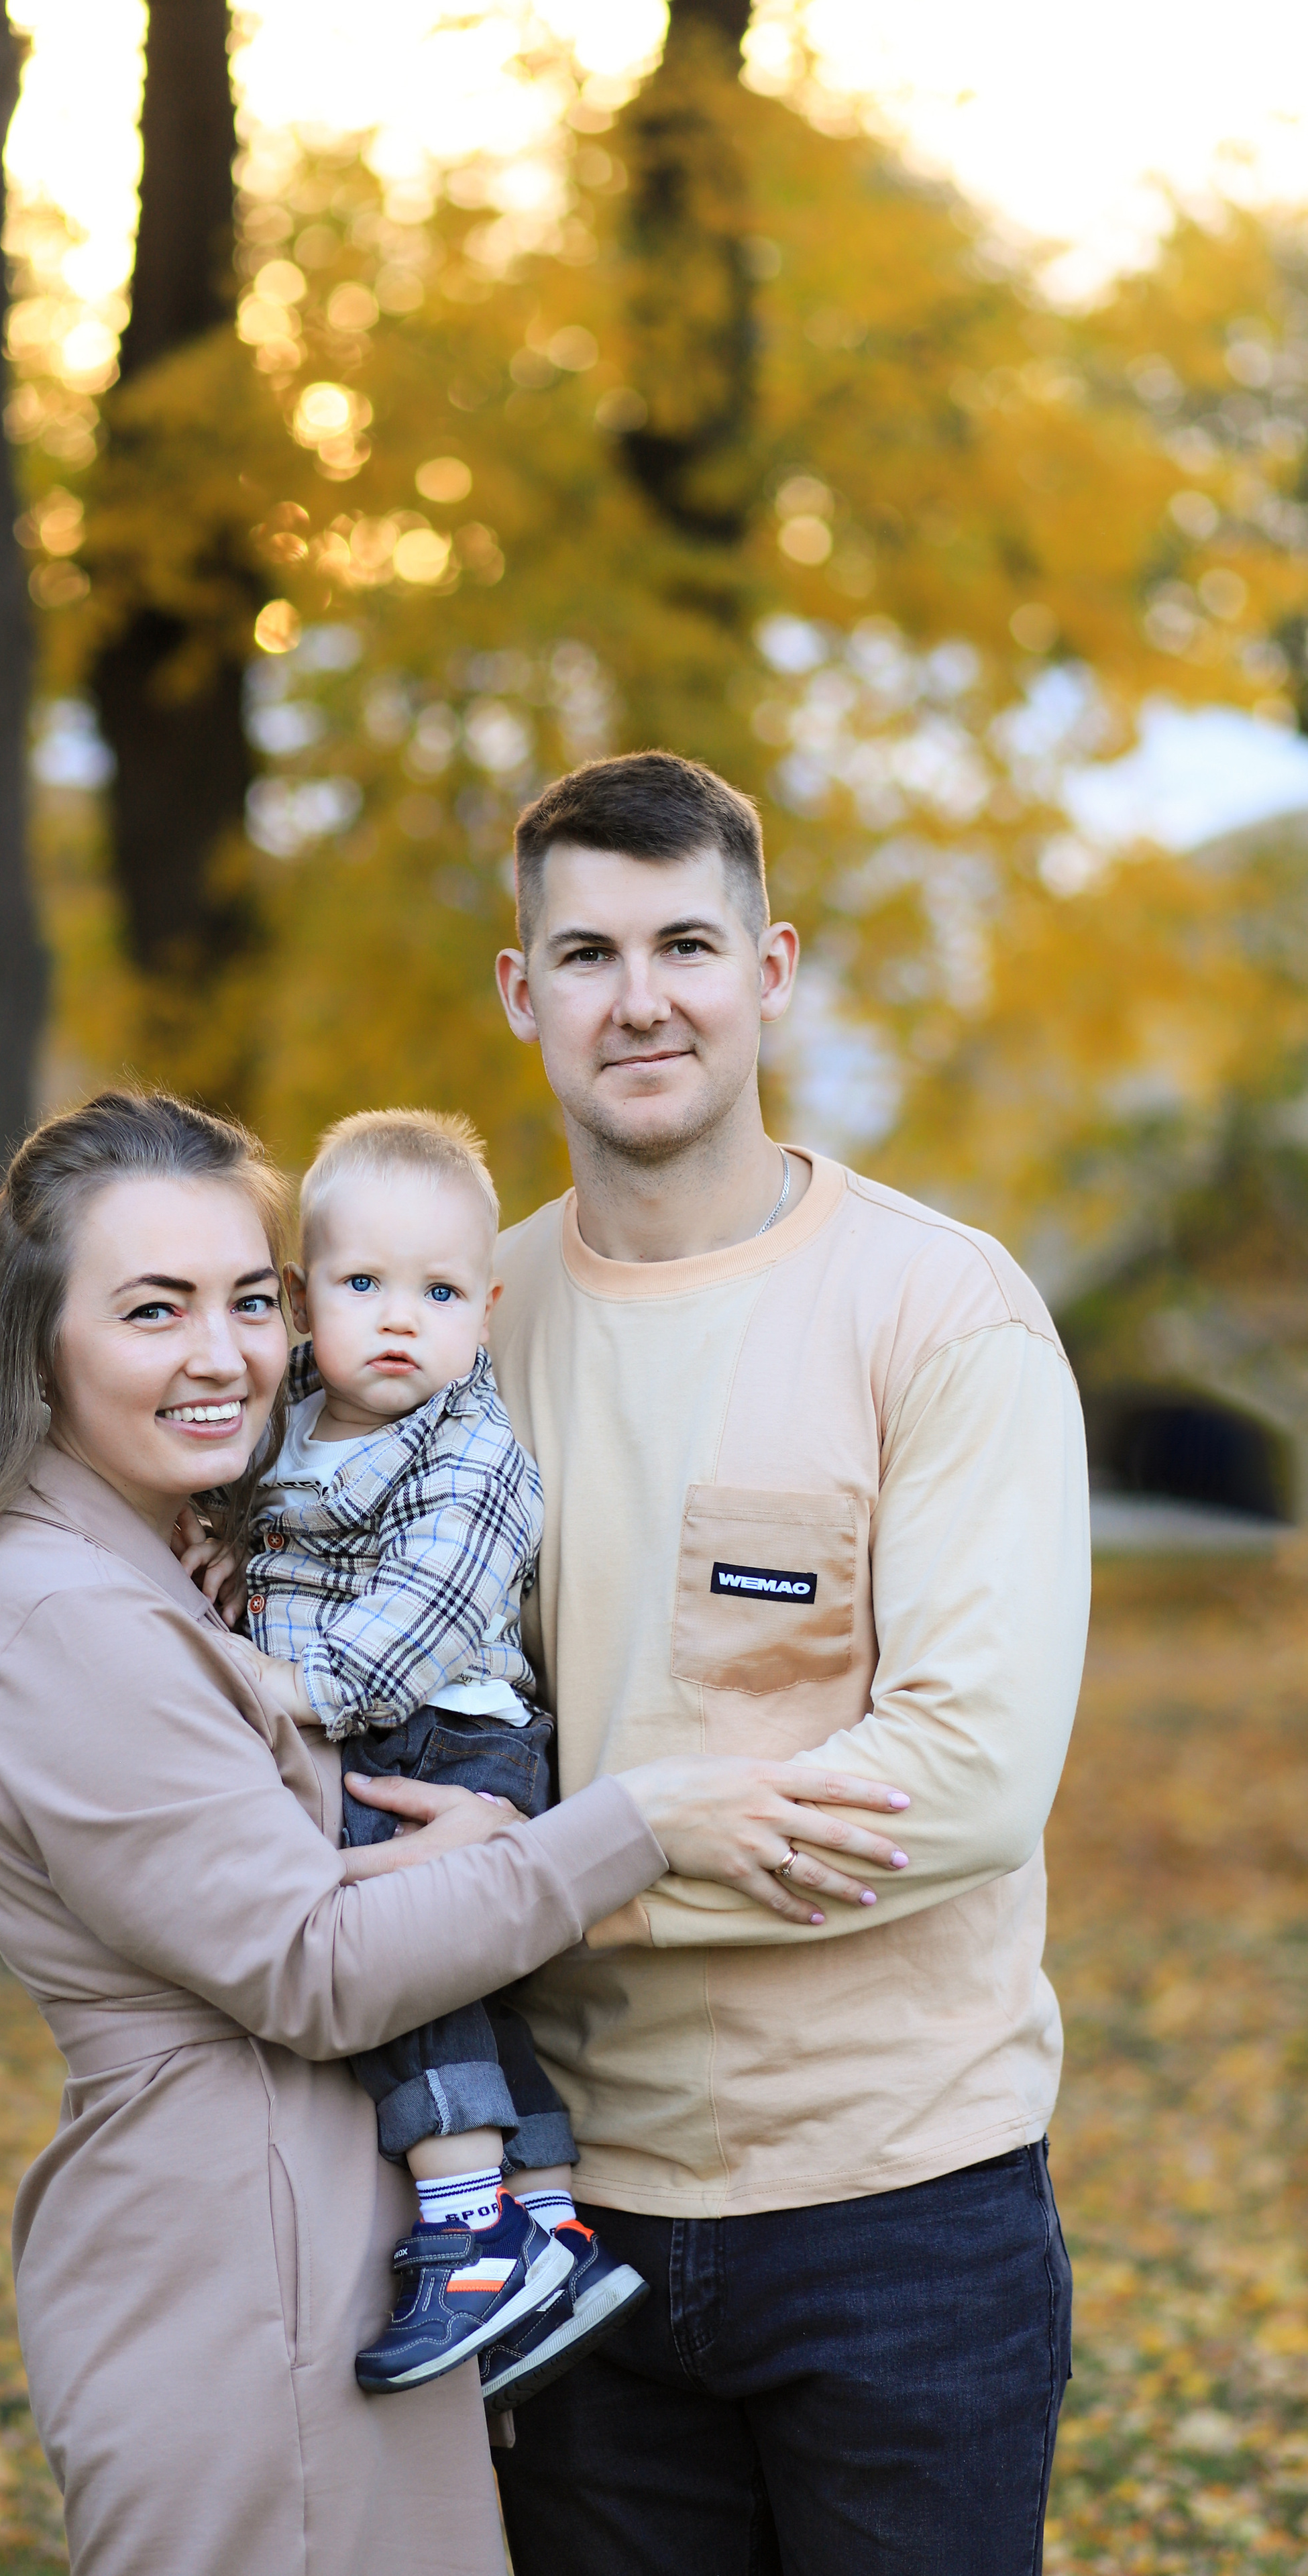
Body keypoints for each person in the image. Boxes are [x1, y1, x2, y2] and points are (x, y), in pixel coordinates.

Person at [0, 1087, 916, 2576]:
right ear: (38, 1341)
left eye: (249, 1301)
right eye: (153, 1310)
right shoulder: (64, 1613)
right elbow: (316, 1965)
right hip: (246, 2301)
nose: (223, 1354)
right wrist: (631, 1823)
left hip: (320, 2271)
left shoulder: (165, 1558)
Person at [482, 750, 1089, 2575]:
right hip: (563, 2212)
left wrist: (549, 1874)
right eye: (586, 955)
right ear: (521, 993)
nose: (640, 999)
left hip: (900, 2214)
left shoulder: (941, 1310)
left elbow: (964, 1779)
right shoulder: (460, 1330)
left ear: (771, 970)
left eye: (686, 945)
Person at [182, 1108, 661, 2402]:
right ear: (301, 1301)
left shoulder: (473, 1449)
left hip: (444, 1734)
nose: (401, 1321)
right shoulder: (287, 1419)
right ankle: (549, 2224)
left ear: (486, 1312)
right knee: (476, 1998)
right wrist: (220, 1544)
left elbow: (427, 1610)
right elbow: (243, 1517)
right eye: (363, 1286)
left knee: (402, 1965)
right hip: (378, 1725)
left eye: (440, 1293)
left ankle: (467, 2230)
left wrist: (287, 1684)